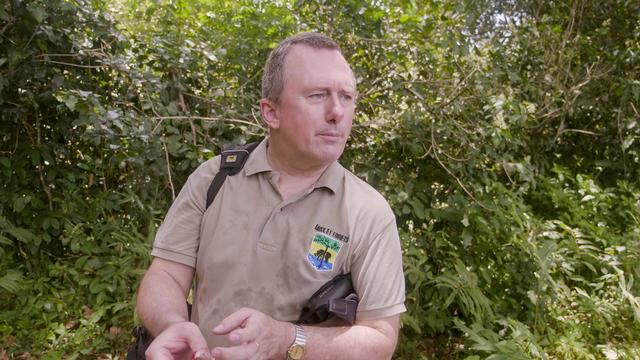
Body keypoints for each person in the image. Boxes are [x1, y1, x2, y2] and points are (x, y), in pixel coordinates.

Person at [136, 31, 406, 360]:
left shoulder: (368, 212)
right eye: (318, 95)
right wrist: (172, 325)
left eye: (347, 97)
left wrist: (288, 339)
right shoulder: (214, 179)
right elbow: (165, 275)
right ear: (271, 113)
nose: (337, 112)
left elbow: (380, 338)